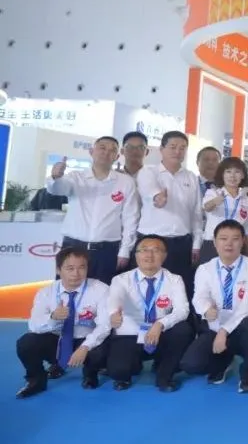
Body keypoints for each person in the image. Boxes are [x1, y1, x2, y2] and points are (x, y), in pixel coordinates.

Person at [180, 220, 248, 392]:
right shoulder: (205, 269)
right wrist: (206, 309)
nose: (229, 244)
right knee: (191, 364)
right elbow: (199, 297)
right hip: (214, 326)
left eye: (235, 239)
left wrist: (224, 331)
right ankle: (224, 361)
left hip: (243, 327)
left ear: (243, 241)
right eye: (223, 238)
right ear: (214, 241)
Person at [16, 247, 111, 398]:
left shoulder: (101, 289)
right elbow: (33, 325)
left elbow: (105, 325)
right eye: (70, 268)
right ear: (59, 270)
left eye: (82, 267)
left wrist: (85, 347)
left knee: (102, 349)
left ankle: (90, 373)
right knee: (26, 343)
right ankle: (36, 380)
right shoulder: (46, 292)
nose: (76, 273)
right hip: (57, 339)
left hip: (87, 339)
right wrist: (53, 317)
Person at [106, 234, 195, 391]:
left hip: (161, 334)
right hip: (132, 332)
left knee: (183, 329)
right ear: (136, 255)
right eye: (144, 250)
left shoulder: (174, 279)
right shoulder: (121, 280)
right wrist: (113, 313)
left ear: (165, 255)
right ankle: (132, 367)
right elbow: (115, 300)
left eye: (156, 250)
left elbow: (182, 310)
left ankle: (164, 377)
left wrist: (160, 324)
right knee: (118, 371)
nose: (149, 255)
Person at [46, 136, 138, 283]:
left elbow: (131, 218)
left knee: (103, 293)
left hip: (107, 250)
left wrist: (125, 250)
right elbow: (57, 189)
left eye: (112, 150)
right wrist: (55, 177)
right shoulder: (76, 177)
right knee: (68, 291)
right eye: (102, 148)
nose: (106, 152)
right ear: (91, 151)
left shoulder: (126, 182)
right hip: (73, 247)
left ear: (117, 156)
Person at [134, 131, 202, 298]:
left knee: (178, 291)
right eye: (172, 147)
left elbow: (196, 213)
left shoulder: (191, 177)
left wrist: (196, 243)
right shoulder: (148, 172)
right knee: (147, 289)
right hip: (151, 242)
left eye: (182, 148)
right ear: (161, 149)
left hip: (181, 244)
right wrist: (158, 198)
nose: (177, 151)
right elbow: (150, 191)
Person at [198, 157, 248, 263]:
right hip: (212, 244)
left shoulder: (246, 199)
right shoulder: (213, 192)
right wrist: (215, 201)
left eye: (237, 172)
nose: (232, 176)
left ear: (243, 175)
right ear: (222, 174)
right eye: (228, 172)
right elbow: (206, 207)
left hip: (236, 245)